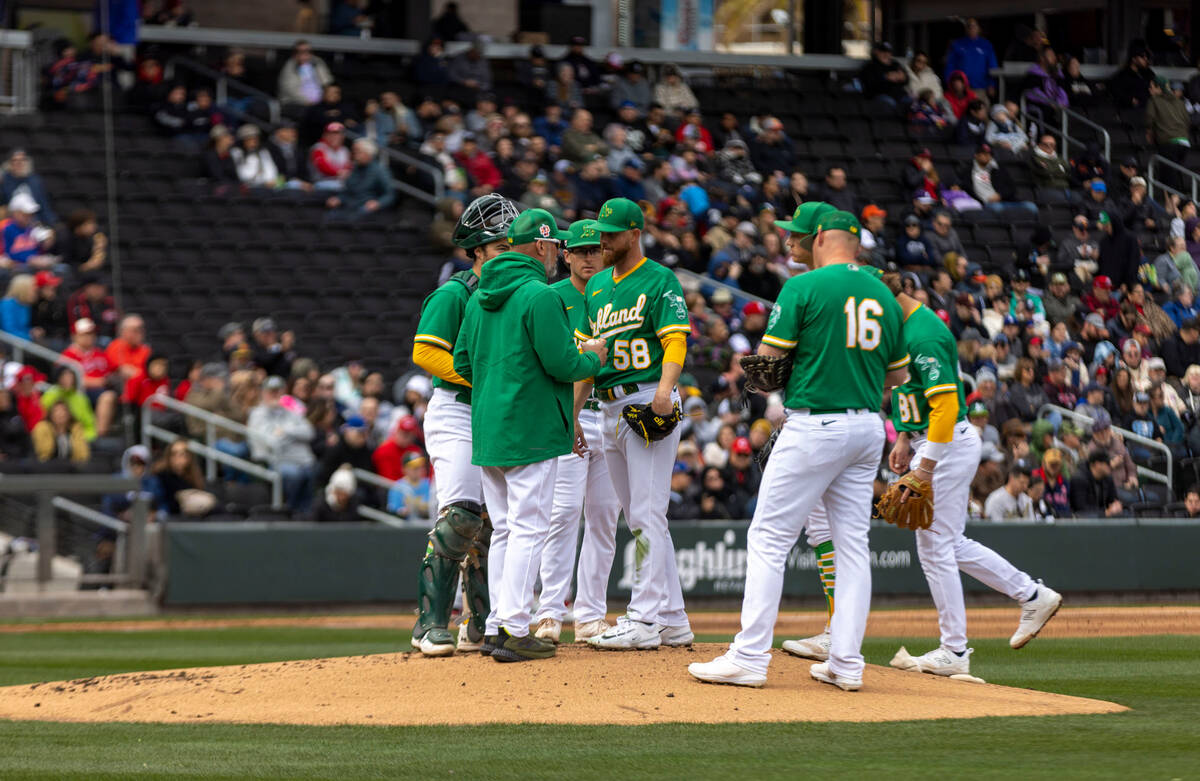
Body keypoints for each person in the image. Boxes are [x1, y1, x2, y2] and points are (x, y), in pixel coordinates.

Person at [689, 210, 908, 690]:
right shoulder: (884, 294)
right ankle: (847, 664)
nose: (791, 241)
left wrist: (801, 365)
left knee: (768, 538)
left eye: (800, 234)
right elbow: (897, 376)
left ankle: (749, 658)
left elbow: (766, 361)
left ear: (824, 239)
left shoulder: (803, 287)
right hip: (869, 426)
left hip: (816, 423)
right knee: (853, 548)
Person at [453, 208, 606, 663]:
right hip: (531, 428)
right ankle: (515, 629)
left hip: (488, 429)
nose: (560, 251)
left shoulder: (481, 294)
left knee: (503, 529)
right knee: (529, 528)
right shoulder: (539, 294)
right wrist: (593, 355)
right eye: (556, 244)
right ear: (541, 246)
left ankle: (499, 622)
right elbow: (564, 364)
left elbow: (462, 363)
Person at [576, 197, 694, 652]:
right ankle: (674, 619)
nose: (602, 240)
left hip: (647, 399)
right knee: (641, 517)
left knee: (647, 514)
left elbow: (675, 340)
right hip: (606, 407)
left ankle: (644, 619)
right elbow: (590, 359)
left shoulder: (659, 279)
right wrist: (574, 414)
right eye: (599, 233)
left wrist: (665, 393)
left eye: (610, 233)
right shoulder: (598, 286)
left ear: (634, 233)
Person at [408, 193, 519, 657]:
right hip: (456, 407)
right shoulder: (456, 292)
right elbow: (425, 352)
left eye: (511, 245)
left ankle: (480, 623)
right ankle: (429, 624)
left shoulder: (519, 294)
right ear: (476, 251)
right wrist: (479, 374)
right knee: (461, 515)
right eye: (497, 247)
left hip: (494, 412)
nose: (506, 254)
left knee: (492, 522)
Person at [532, 220, 623, 643]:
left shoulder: (617, 294)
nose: (590, 257)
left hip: (612, 413)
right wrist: (562, 418)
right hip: (569, 414)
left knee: (604, 519)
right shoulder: (552, 298)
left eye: (597, 250)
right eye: (582, 251)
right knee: (563, 514)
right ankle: (550, 610)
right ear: (565, 255)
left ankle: (590, 614)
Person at [247, 376, 317, 514]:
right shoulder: (257, 414)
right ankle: (290, 511)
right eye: (271, 391)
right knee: (293, 474)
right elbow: (272, 442)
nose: (275, 394)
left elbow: (309, 432)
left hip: (300, 460)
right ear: (263, 392)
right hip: (273, 461)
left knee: (312, 470)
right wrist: (295, 436)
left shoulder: (290, 411)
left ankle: (304, 514)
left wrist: (285, 431)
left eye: (278, 391)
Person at [325, 138, 394, 218]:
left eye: (358, 151)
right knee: (329, 216)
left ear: (368, 153)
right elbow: (348, 191)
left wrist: (378, 203)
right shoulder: (354, 169)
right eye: (354, 151)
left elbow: (390, 194)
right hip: (350, 206)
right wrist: (339, 199)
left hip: (366, 209)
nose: (354, 154)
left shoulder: (380, 171)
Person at [966, 144, 1037, 217]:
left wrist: (1000, 195)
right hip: (986, 204)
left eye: (989, 154)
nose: (986, 156)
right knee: (997, 208)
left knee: (1031, 207)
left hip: (1006, 201)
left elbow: (1012, 188)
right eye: (983, 154)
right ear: (976, 155)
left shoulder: (999, 169)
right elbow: (967, 189)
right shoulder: (968, 171)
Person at [943, 18, 997, 95]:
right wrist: (950, 83)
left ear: (979, 28)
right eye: (969, 26)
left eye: (974, 26)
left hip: (980, 88)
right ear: (966, 29)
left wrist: (992, 84)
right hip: (961, 89)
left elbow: (992, 66)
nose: (971, 28)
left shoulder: (986, 45)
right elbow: (950, 65)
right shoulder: (957, 44)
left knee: (980, 106)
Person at [277, 41, 333, 111]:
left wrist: (326, 97)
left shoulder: (318, 62)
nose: (304, 54)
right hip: (295, 103)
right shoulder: (290, 66)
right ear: (294, 54)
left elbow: (327, 82)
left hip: (320, 102)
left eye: (307, 51)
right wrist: (308, 101)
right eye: (300, 51)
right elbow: (291, 91)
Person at [1069, 450, 1124, 516]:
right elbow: (1080, 509)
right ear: (1097, 464)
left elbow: (1113, 500)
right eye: (1107, 463)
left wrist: (1117, 505)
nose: (1111, 465)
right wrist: (1105, 513)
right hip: (1083, 522)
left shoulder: (1108, 478)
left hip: (1103, 519)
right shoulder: (1079, 479)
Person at [860, 42, 908, 111]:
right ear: (876, 52)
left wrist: (903, 77)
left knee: (911, 102)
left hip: (898, 95)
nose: (886, 54)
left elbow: (906, 80)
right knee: (890, 104)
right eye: (883, 51)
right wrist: (885, 77)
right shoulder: (870, 66)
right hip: (880, 96)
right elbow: (869, 86)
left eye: (889, 52)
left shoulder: (895, 64)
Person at [386, 452, 432, 520]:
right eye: (415, 468)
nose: (419, 470)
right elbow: (393, 510)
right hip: (406, 527)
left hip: (427, 524)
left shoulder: (429, 483)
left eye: (421, 467)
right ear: (404, 469)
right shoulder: (397, 487)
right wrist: (404, 511)